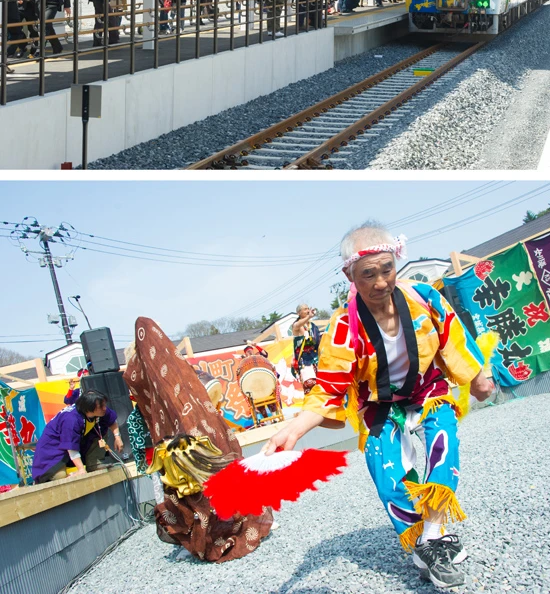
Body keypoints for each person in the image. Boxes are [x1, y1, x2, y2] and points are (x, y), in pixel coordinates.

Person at [266, 223, 493, 590]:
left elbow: (455, 337)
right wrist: (292, 430)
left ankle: (433, 537)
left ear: (396, 262)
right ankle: (423, 540)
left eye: (386, 269)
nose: (380, 282)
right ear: (349, 275)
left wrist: (478, 379)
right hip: (378, 407)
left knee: (442, 450)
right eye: (367, 274)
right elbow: (329, 388)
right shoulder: (344, 327)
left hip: (427, 392)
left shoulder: (424, 298)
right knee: (389, 482)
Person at [124, 316, 273, 561]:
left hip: (185, 435)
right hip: (186, 434)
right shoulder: (158, 369)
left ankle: (213, 533)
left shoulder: (165, 370)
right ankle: (216, 530)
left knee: (199, 485)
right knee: (201, 484)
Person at [32, 390, 123, 483]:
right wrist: (81, 470)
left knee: (101, 427)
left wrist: (117, 437)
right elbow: (71, 447)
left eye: (104, 405)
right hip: (52, 450)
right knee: (59, 476)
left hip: (77, 443)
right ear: (90, 408)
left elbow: (111, 420)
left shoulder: (98, 409)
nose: (105, 408)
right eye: (101, 406)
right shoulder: (71, 420)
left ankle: (94, 463)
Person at [290, 303, 322, 395]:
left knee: (323, 384)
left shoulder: (313, 326)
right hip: (304, 360)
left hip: (316, 357)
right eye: (305, 309)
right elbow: (297, 325)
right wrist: (308, 317)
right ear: (298, 313)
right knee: (310, 385)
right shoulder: (297, 325)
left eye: (308, 308)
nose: (307, 310)